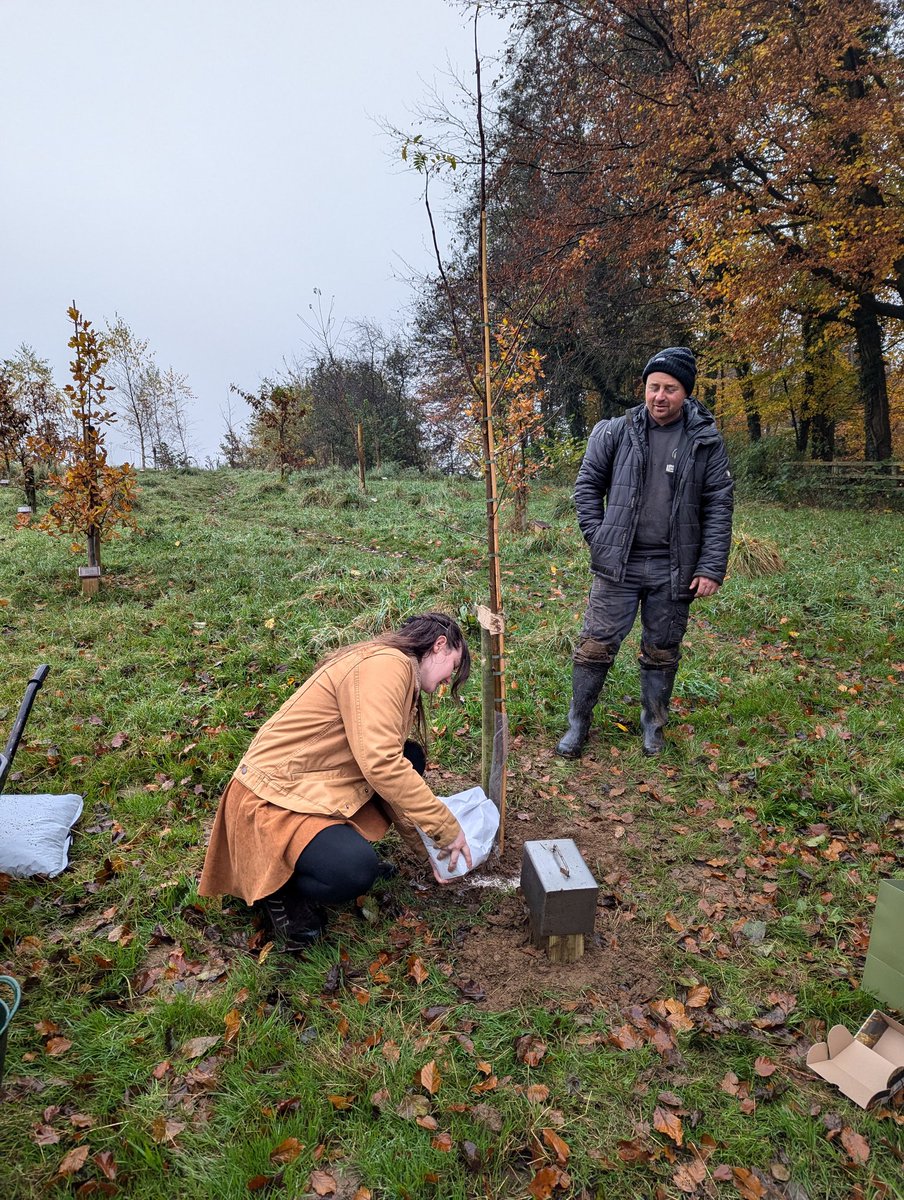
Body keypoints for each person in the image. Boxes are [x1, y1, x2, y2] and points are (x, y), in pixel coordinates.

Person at [199, 612, 473, 950]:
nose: (449, 679)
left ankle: (323, 852)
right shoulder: (387, 665)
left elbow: (387, 765)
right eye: (454, 665)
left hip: (307, 787)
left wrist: (426, 849)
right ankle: (276, 886)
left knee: (410, 756)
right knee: (354, 871)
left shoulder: (395, 667)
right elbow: (382, 764)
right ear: (440, 645)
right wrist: (446, 829)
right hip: (270, 800)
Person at [556, 347, 734, 759]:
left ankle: (654, 726)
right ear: (645, 388)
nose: (660, 396)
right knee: (595, 644)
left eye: (670, 389)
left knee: (662, 648)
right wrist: (599, 536)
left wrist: (710, 567)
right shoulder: (616, 431)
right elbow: (587, 486)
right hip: (619, 564)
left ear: (685, 393)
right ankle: (578, 723)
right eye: (654, 387)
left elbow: (719, 505)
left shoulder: (705, 440)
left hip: (674, 566)